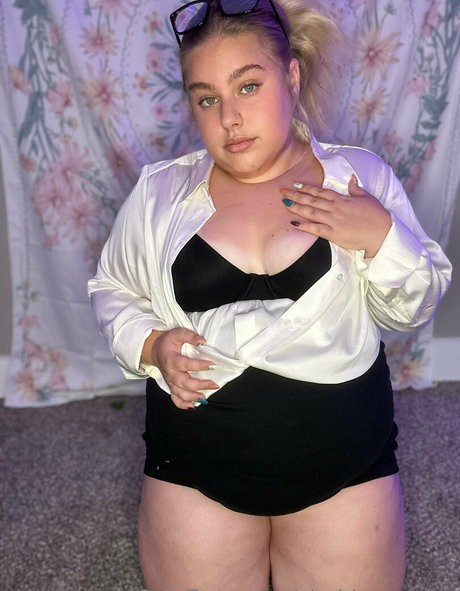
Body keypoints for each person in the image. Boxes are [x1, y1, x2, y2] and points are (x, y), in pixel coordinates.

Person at [88, 0, 452, 589]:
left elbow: (413, 307)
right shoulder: (159, 195)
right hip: (194, 467)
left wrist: (380, 236)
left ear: (292, 76)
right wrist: (151, 346)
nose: (230, 118)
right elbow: (113, 288)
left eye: (248, 86)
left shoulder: (357, 179)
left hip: (344, 468)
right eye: (207, 99)